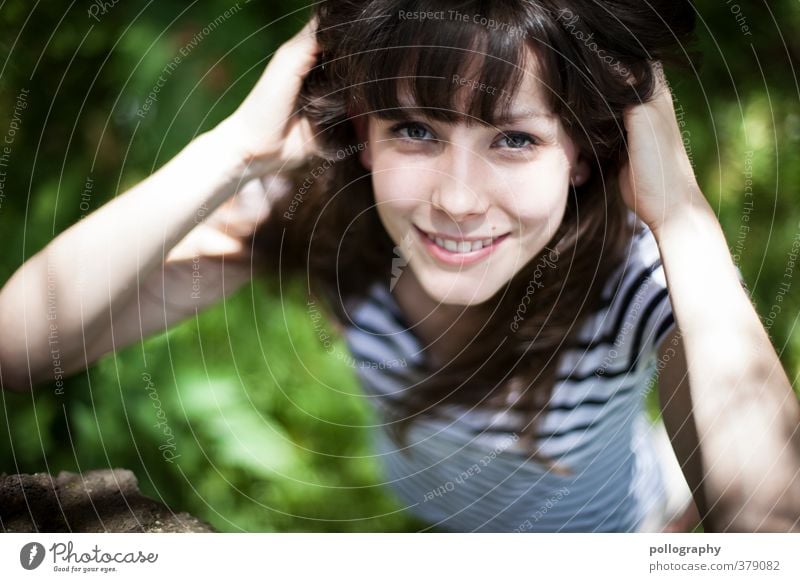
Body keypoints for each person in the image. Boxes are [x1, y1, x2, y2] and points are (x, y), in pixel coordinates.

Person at [1, 0, 798, 532]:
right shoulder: (333, 226)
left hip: (605, 532)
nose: (456, 199)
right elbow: (18, 346)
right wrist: (233, 154)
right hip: (441, 513)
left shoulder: (627, 288)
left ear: (584, 156)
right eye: (415, 130)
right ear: (363, 132)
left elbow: (772, 522)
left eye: (514, 140)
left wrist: (680, 215)